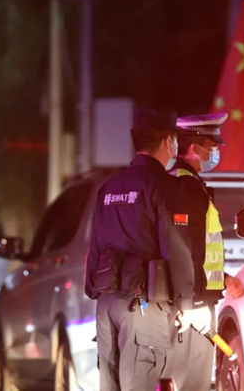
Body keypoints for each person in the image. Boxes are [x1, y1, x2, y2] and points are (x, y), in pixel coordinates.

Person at [85, 108, 210, 391]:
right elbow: (176, 246)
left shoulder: (108, 188)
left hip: (106, 304)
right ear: (168, 141)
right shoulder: (165, 186)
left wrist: (95, 292)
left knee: (110, 384)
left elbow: (95, 246)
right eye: (174, 140)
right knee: (139, 381)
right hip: (144, 304)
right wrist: (186, 304)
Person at [164, 113, 244, 390]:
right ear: (194, 149)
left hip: (190, 297)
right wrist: (195, 301)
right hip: (193, 302)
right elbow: (185, 246)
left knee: (180, 377)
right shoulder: (185, 186)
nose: (214, 153)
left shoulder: (184, 182)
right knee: (192, 380)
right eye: (211, 147)